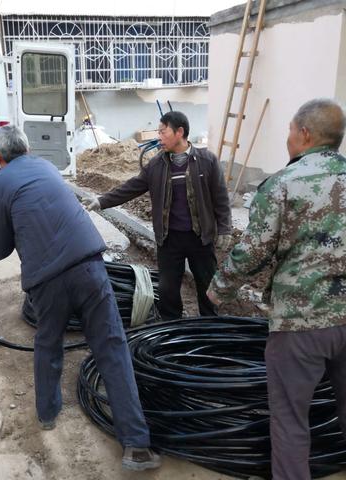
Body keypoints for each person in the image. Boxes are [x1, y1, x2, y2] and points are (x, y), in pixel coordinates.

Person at [0, 125, 161, 471]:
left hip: (47, 281)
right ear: (27, 147)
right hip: (90, 267)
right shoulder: (48, 168)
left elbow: (1, 246)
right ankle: (136, 446)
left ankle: (48, 413)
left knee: (48, 343)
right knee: (112, 347)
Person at [207, 98, 346, 480]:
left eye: (288, 130)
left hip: (301, 325)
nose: (287, 138)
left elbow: (253, 251)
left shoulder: (283, 185)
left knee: (290, 420)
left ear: (304, 134)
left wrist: (219, 290)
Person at [87, 111, 232, 319]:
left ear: (180, 132)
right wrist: (101, 201)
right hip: (169, 238)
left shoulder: (206, 161)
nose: (159, 137)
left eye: (163, 132)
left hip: (201, 238)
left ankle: (209, 326)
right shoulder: (157, 165)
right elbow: (131, 187)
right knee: (167, 289)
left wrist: (224, 228)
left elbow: (221, 199)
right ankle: (171, 329)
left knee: (206, 285)